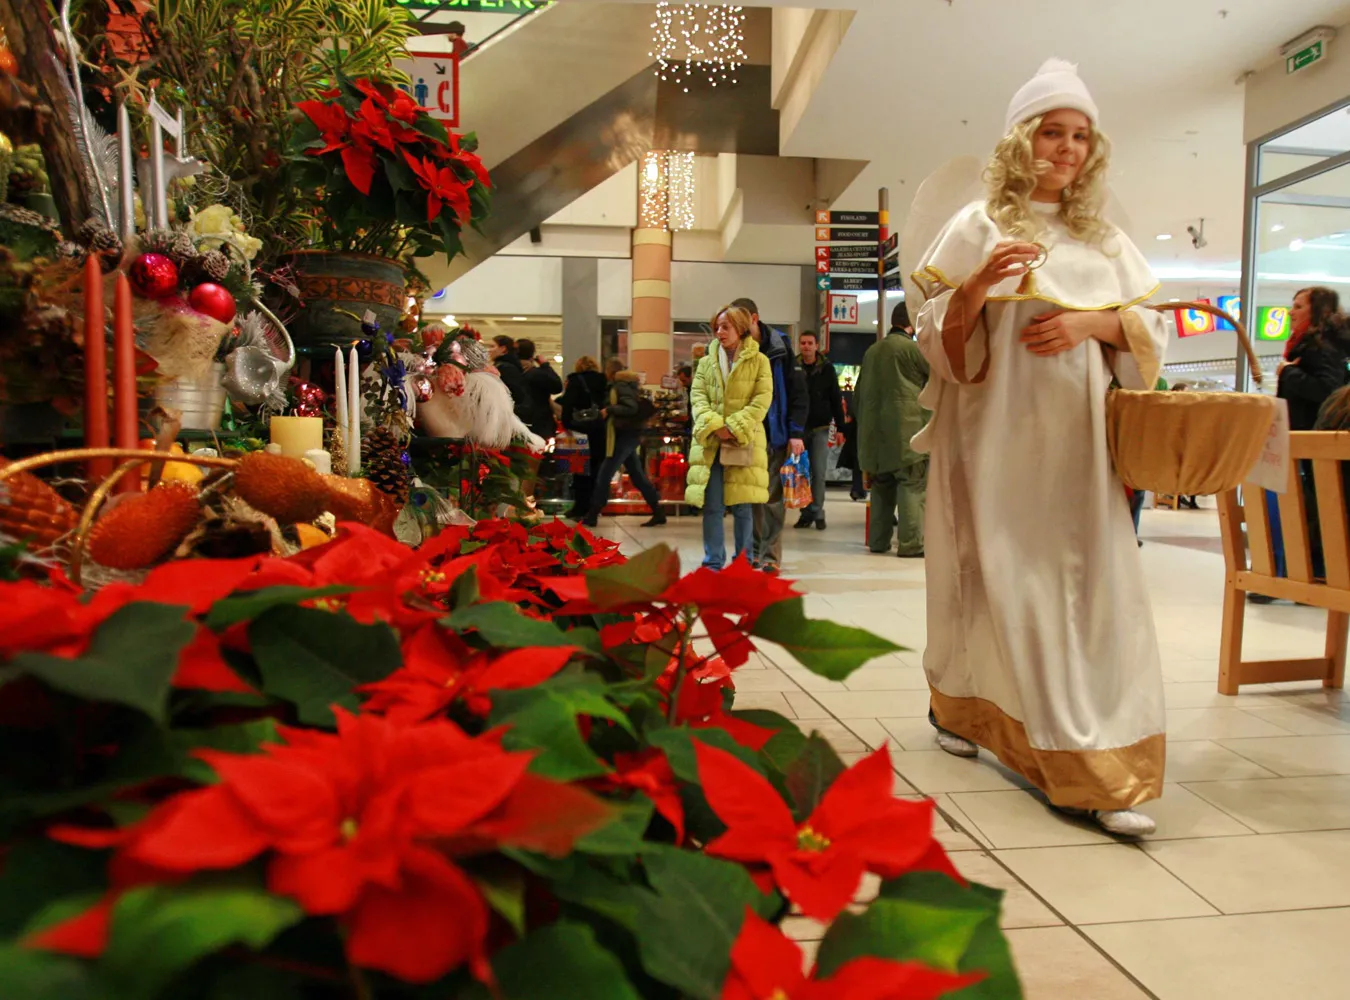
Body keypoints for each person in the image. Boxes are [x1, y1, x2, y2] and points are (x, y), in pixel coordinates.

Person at [910, 59, 1169, 837]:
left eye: (1079, 135)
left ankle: (1090, 755)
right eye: (1052, 132)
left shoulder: (1105, 239)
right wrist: (979, 285)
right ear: (1023, 140)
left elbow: (1148, 333)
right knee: (996, 581)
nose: (1066, 148)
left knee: (1089, 586)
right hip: (991, 440)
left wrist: (1096, 322)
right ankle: (969, 708)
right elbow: (933, 335)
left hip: (1081, 452)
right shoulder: (979, 224)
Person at [1251, 286, 1350, 602]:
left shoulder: (1322, 347)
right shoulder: (1312, 346)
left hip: (1313, 445)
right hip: (1301, 443)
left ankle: (1304, 576)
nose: (1290, 312)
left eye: (1297, 306)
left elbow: (1328, 389)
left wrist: (1289, 374)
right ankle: (1297, 575)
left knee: (1310, 508)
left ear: (1317, 311)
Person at [685, 306, 772, 569]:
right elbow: (697, 398)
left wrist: (733, 427)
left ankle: (742, 562)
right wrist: (715, 425)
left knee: (742, 506)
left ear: (741, 328)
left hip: (742, 440)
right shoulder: (705, 362)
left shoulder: (760, 361)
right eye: (717, 327)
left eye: (726, 326)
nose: (719, 332)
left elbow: (762, 400)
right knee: (712, 505)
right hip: (711, 441)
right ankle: (713, 561)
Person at [731, 297, 807, 573]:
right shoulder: (734, 349)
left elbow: (799, 393)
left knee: (773, 500)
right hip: (746, 436)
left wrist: (795, 433)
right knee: (751, 499)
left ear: (754, 318)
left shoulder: (780, 348)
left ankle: (770, 557)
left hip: (774, 435)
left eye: (741, 322)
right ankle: (753, 553)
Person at [856, 303, 930, 557]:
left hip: (875, 437)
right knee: (911, 485)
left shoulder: (871, 352)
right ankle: (911, 545)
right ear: (912, 324)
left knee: (881, 488)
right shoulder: (914, 350)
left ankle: (878, 541)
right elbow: (938, 383)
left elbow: (858, 396)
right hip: (907, 434)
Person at [581, 357, 666, 529]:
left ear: (611, 372)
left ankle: (592, 514)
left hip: (625, 435)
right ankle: (658, 512)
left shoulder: (619, 386)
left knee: (605, 473)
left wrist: (609, 410)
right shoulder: (626, 385)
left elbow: (631, 408)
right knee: (637, 476)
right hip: (627, 435)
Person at [795, 331, 846, 531]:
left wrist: (841, 428)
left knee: (818, 471)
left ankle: (816, 510)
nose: (806, 346)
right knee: (801, 474)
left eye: (810, 343)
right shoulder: (794, 367)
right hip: (798, 429)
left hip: (820, 427)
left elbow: (835, 398)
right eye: (803, 343)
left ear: (817, 346)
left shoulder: (827, 369)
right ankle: (805, 512)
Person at [559, 356, 608, 517]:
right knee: (596, 470)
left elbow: (567, 405)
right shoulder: (604, 381)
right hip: (598, 430)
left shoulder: (575, 381)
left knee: (578, 470)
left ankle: (580, 507)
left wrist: (567, 424)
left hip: (578, 429)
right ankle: (594, 507)